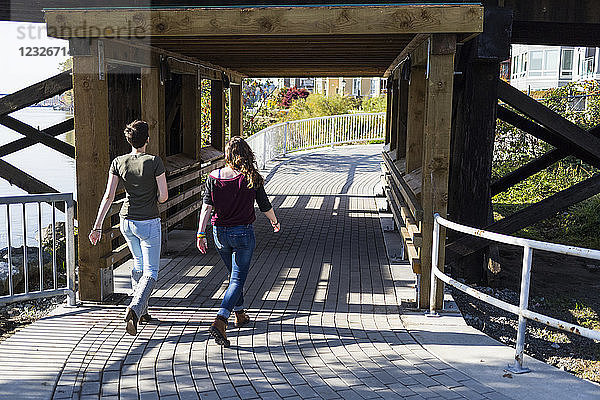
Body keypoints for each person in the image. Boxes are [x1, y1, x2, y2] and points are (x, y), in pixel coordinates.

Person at [197, 136, 280, 347]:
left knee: (233, 276)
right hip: (243, 233)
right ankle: (220, 319)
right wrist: (275, 222)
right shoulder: (252, 177)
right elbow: (264, 205)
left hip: (219, 234)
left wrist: (200, 233)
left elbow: (206, 208)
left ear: (227, 155)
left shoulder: (213, 177)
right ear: (247, 154)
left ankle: (240, 314)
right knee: (237, 279)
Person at [89, 120, 168, 336]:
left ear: (129, 140)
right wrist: (154, 196)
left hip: (126, 221)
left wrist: (97, 227)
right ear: (147, 140)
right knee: (151, 272)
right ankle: (134, 308)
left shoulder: (118, 162)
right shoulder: (154, 162)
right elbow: (163, 196)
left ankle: (143, 312)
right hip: (148, 221)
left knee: (138, 264)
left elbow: (108, 196)